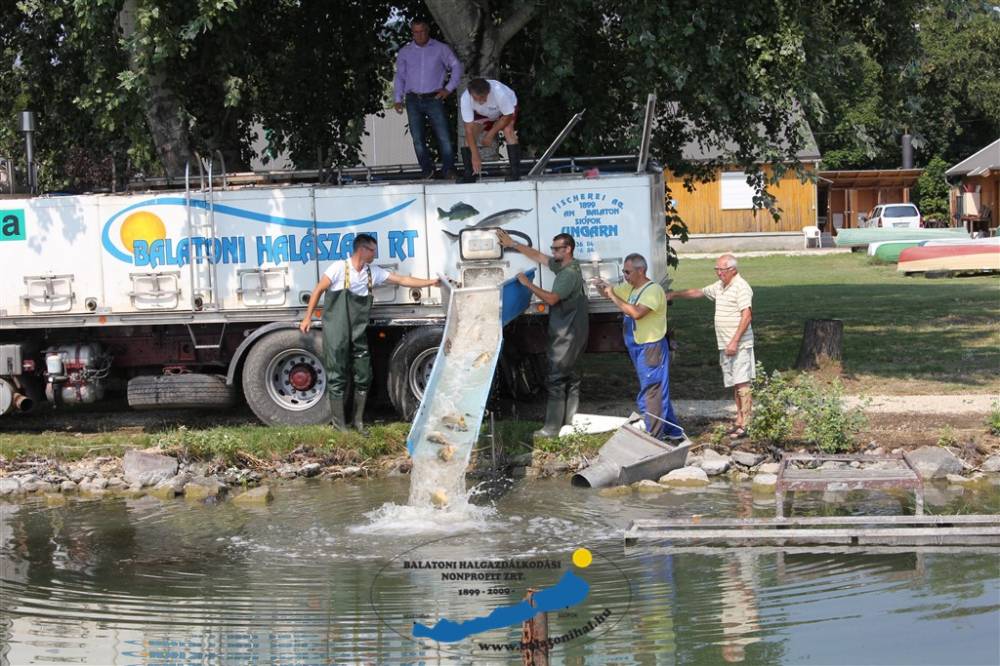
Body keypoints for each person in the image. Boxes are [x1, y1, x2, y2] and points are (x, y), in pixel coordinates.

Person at [300, 234, 439, 431]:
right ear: (362, 250)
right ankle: (340, 426)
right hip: (337, 330)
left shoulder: (372, 272)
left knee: (364, 375)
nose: (375, 254)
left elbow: (402, 279)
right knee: (337, 375)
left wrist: (430, 282)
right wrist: (307, 318)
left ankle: (358, 422)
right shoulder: (339, 268)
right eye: (372, 250)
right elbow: (317, 290)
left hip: (358, 331)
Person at [496, 229, 589, 438]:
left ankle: (551, 429)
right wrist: (513, 243)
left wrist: (527, 284)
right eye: (553, 248)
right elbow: (539, 257)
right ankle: (570, 425)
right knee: (573, 378)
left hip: (567, 334)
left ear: (568, 249)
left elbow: (552, 299)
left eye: (557, 249)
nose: (553, 252)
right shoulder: (567, 266)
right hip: (577, 332)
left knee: (556, 379)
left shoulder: (568, 274)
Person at [595, 253, 684, 440]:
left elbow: (636, 313)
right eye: (623, 272)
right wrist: (602, 287)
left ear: (640, 270)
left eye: (627, 272)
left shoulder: (653, 291)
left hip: (651, 347)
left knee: (652, 391)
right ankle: (673, 431)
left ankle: (653, 436)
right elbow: (611, 294)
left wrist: (612, 294)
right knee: (655, 389)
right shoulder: (631, 288)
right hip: (637, 346)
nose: (625, 275)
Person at [670, 254, 755, 440]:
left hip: (738, 344)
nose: (718, 273)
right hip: (725, 344)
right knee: (734, 383)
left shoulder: (741, 287)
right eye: (716, 269)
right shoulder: (720, 286)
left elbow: (747, 316)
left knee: (742, 383)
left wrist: (734, 341)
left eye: (721, 270)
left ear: (732, 270)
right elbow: (698, 292)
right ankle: (739, 419)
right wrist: (675, 294)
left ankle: (746, 423)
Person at [393, 19, 463, 179]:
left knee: (443, 135)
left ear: (428, 30)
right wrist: (397, 98)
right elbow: (400, 76)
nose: (419, 35)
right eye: (415, 32)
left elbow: (456, 66)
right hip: (412, 98)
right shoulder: (405, 52)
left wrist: (448, 89)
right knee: (417, 137)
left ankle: (449, 169)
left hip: (434, 97)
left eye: (422, 31)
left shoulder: (440, 48)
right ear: (412, 33)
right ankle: (427, 170)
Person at [459, 78, 521, 182]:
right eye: (476, 99)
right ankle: (469, 174)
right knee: (469, 139)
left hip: (505, 112)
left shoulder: (499, 93)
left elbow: (507, 116)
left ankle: (515, 173)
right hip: (483, 114)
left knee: (508, 130)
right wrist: (475, 155)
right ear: (470, 94)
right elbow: (468, 130)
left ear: (488, 92)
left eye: (483, 97)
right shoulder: (465, 99)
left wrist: (490, 134)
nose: (481, 101)